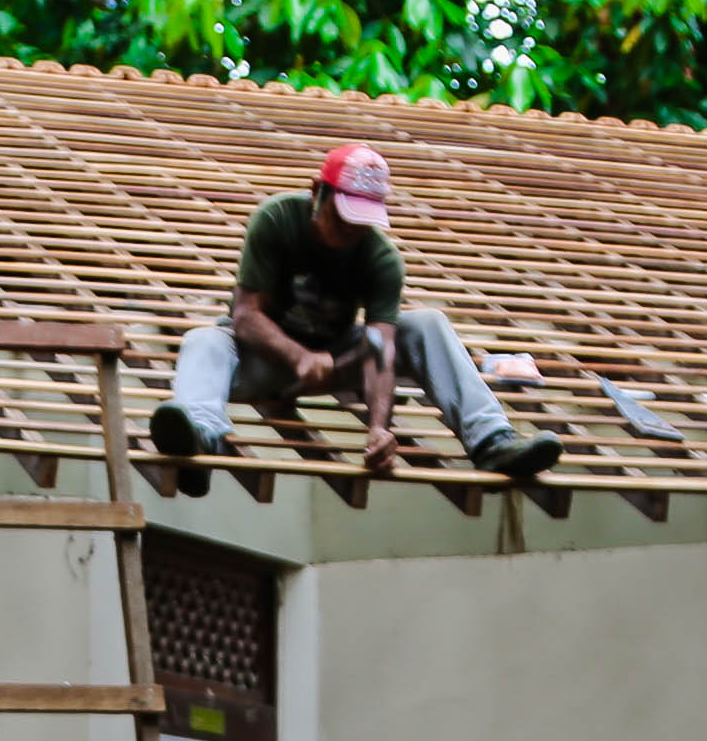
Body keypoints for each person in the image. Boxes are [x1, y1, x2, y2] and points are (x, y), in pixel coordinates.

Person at [146, 142, 562, 488]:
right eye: (341, 221)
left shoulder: (381, 258)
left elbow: (380, 345)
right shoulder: (275, 220)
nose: (349, 235)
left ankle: (491, 440)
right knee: (204, 340)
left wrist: (380, 428)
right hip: (263, 359)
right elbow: (245, 316)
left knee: (427, 323)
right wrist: (298, 357)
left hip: (339, 363)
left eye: (360, 225)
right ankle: (200, 441)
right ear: (316, 193)